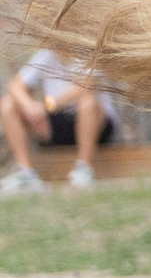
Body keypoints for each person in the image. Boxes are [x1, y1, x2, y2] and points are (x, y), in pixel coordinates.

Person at [2, 48, 117, 191]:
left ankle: (83, 168)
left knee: (87, 101)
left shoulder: (89, 54)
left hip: (98, 125)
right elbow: (15, 86)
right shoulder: (45, 56)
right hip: (57, 124)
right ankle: (26, 173)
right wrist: (29, 105)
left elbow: (85, 86)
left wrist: (48, 105)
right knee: (8, 103)